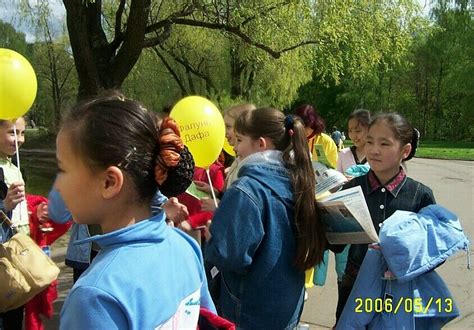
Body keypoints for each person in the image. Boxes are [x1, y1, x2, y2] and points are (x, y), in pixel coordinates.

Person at [56, 92, 215, 329]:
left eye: (64, 169)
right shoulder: (185, 245)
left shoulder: (95, 297)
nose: (58, 184)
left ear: (109, 182)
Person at [205, 108, 327, 328]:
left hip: (248, 311)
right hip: (285, 308)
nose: (234, 146)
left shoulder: (246, 189)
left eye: (240, 139)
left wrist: (213, 234)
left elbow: (228, 256)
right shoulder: (298, 181)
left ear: (261, 144)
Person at [335, 112, 436, 323]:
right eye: (369, 141)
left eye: (384, 144)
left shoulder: (420, 195)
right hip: (355, 287)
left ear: (405, 151)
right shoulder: (352, 188)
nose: (373, 150)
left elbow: (434, 253)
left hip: (401, 290)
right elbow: (335, 244)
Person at [0, 117, 29, 330]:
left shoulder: (13, 166)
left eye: (22, 133)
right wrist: (4, 204)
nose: (18, 139)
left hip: (17, 254)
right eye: (12, 132)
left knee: (15, 315)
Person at [294, 104, 338, 168]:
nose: (306, 130)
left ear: (315, 123)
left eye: (309, 126)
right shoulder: (290, 139)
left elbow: (333, 167)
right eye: (302, 126)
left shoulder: (326, 141)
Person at [337, 109, 371, 175]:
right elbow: (338, 181)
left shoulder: (378, 155)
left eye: (358, 131)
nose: (353, 135)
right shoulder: (343, 154)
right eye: (350, 131)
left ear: (369, 129)